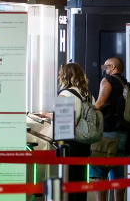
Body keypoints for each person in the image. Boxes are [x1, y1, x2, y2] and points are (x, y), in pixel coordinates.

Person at [90, 57, 130, 201]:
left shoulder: (107, 80)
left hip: (107, 133)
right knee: (118, 174)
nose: (104, 69)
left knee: (99, 172)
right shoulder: (126, 83)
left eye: (105, 67)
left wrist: (86, 111)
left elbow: (100, 104)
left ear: (112, 67)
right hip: (123, 134)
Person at [57, 63, 92, 201]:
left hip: (70, 144)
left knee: (69, 181)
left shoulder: (65, 94)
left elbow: (62, 123)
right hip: (84, 143)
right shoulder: (88, 95)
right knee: (81, 180)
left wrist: (47, 116)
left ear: (65, 76)